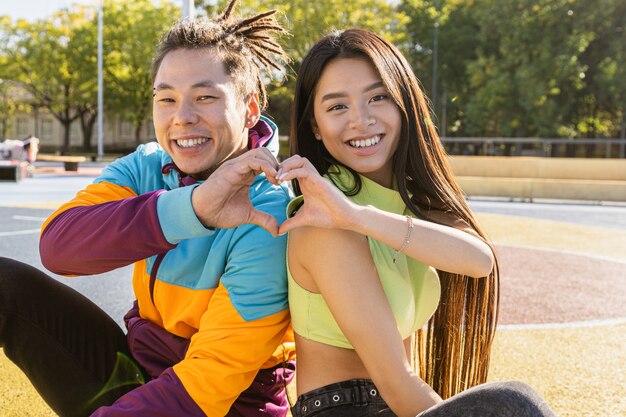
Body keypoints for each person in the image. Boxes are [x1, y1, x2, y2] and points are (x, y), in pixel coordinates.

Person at [0, 1, 296, 416]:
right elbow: (58, 247)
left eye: (205, 97)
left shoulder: (271, 212)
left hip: (222, 406)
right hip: (138, 374)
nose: (182, 118)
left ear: (248, 110)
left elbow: (207, 384)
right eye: (167, 99)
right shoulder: (147, 165)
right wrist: (193, 209)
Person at [275, 29, 556, 417]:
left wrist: (361, 217)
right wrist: (348, 219)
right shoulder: (322, 222)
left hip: (397, 406)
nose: (361, 120)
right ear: (316, 128)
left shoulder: (405, 204)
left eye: (378, 97)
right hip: (351, 410)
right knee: (514, 403)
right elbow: (396, 383)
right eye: (337, 107)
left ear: (404, 103)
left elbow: (479, 261)